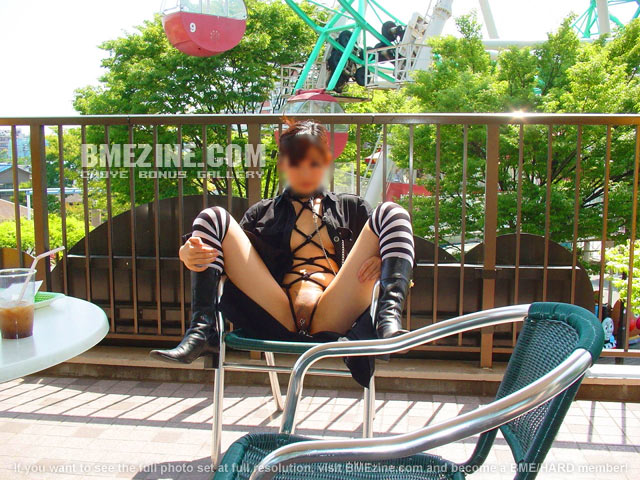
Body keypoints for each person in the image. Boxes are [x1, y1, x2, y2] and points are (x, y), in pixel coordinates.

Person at [150, 120, 415, 386]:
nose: (305, 172)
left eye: (314, 163)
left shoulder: (352, 208)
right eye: (296, 163)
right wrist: (187, 253)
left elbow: (395, 248)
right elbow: (229, 260)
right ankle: (201, 331)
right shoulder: (261, 214)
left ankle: (388, 321)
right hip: (277, 313)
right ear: (283, 164)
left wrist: (383, 259)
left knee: (392, 212)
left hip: (335, 313)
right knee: (212, 216)